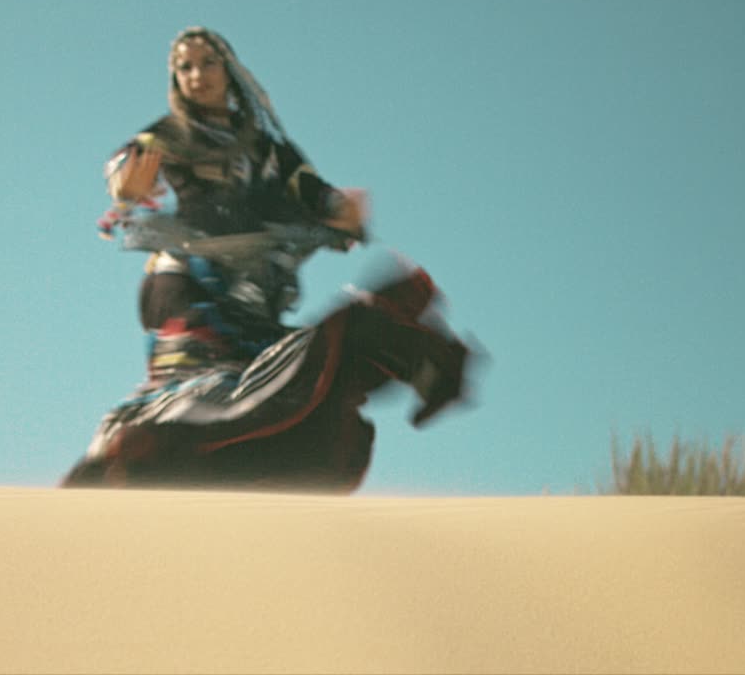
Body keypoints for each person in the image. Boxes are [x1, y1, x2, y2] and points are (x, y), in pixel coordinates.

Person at [62, 27, 469, 493]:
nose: (196, 75)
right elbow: (126, 165)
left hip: (255, 298)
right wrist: (125, 182)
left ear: (230, 71)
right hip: (187, 283)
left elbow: (315, 193)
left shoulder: (270, 151)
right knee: (204, 389)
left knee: (288, 390)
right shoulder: (170, 135)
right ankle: (127, 465)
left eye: (207, 63)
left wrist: (340, 210)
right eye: (184, 67)